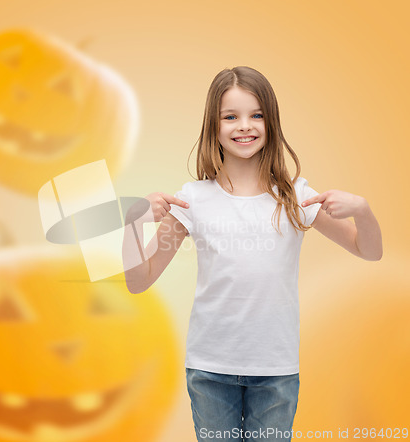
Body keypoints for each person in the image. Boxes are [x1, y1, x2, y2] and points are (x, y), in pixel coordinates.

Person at [121, 66, 383, 442]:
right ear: (214, 125)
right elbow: (138, 280)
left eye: (256, 114)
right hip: (210, 369)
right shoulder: (191, 200)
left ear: (271, 121)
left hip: (275, 369)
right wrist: (133, 224)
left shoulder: (296, 196)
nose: (245, 126)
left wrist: (364, 210)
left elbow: (368, 251)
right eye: (231, 116)